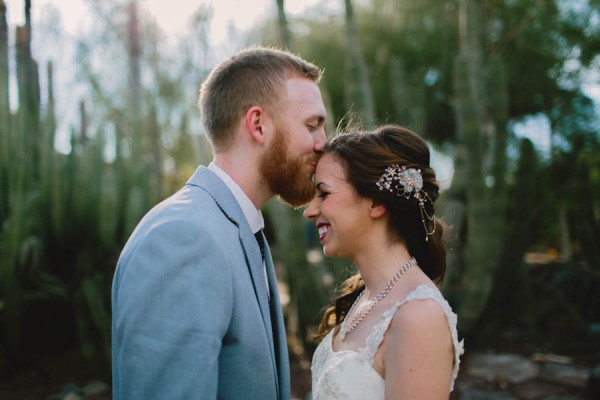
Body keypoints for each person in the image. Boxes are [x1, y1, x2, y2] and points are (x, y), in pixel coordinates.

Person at [111, 46, 327, 399]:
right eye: (312, 126)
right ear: (258, 125)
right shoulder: (183, 238)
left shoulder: (234, 227)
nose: (323, 144)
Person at [304, 124, 464, 399]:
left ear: (377, 202)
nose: (310, 211)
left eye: (324, 193)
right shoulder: (362, 298)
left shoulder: (418, 316)